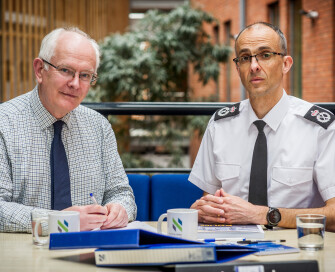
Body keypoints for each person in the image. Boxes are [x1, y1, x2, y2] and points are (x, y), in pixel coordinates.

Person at [189, 22, 335, 231]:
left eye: (265, 55)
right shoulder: (220, 125)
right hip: (234, 247)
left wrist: (263, 215)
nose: (254, 66)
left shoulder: (320, 128)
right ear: (238, 67)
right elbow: (212, 203)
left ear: (286, 64)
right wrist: (205, 211)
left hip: (296, 250)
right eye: (245, 57)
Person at [0, 27, 136, 234]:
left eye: (85, 75)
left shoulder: (99, 127)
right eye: (65, 70)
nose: (74, 84)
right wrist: (60, 222)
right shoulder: (4, 123)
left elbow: (121, 193)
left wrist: (120, 209)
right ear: (39, 70)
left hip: (89, 251)